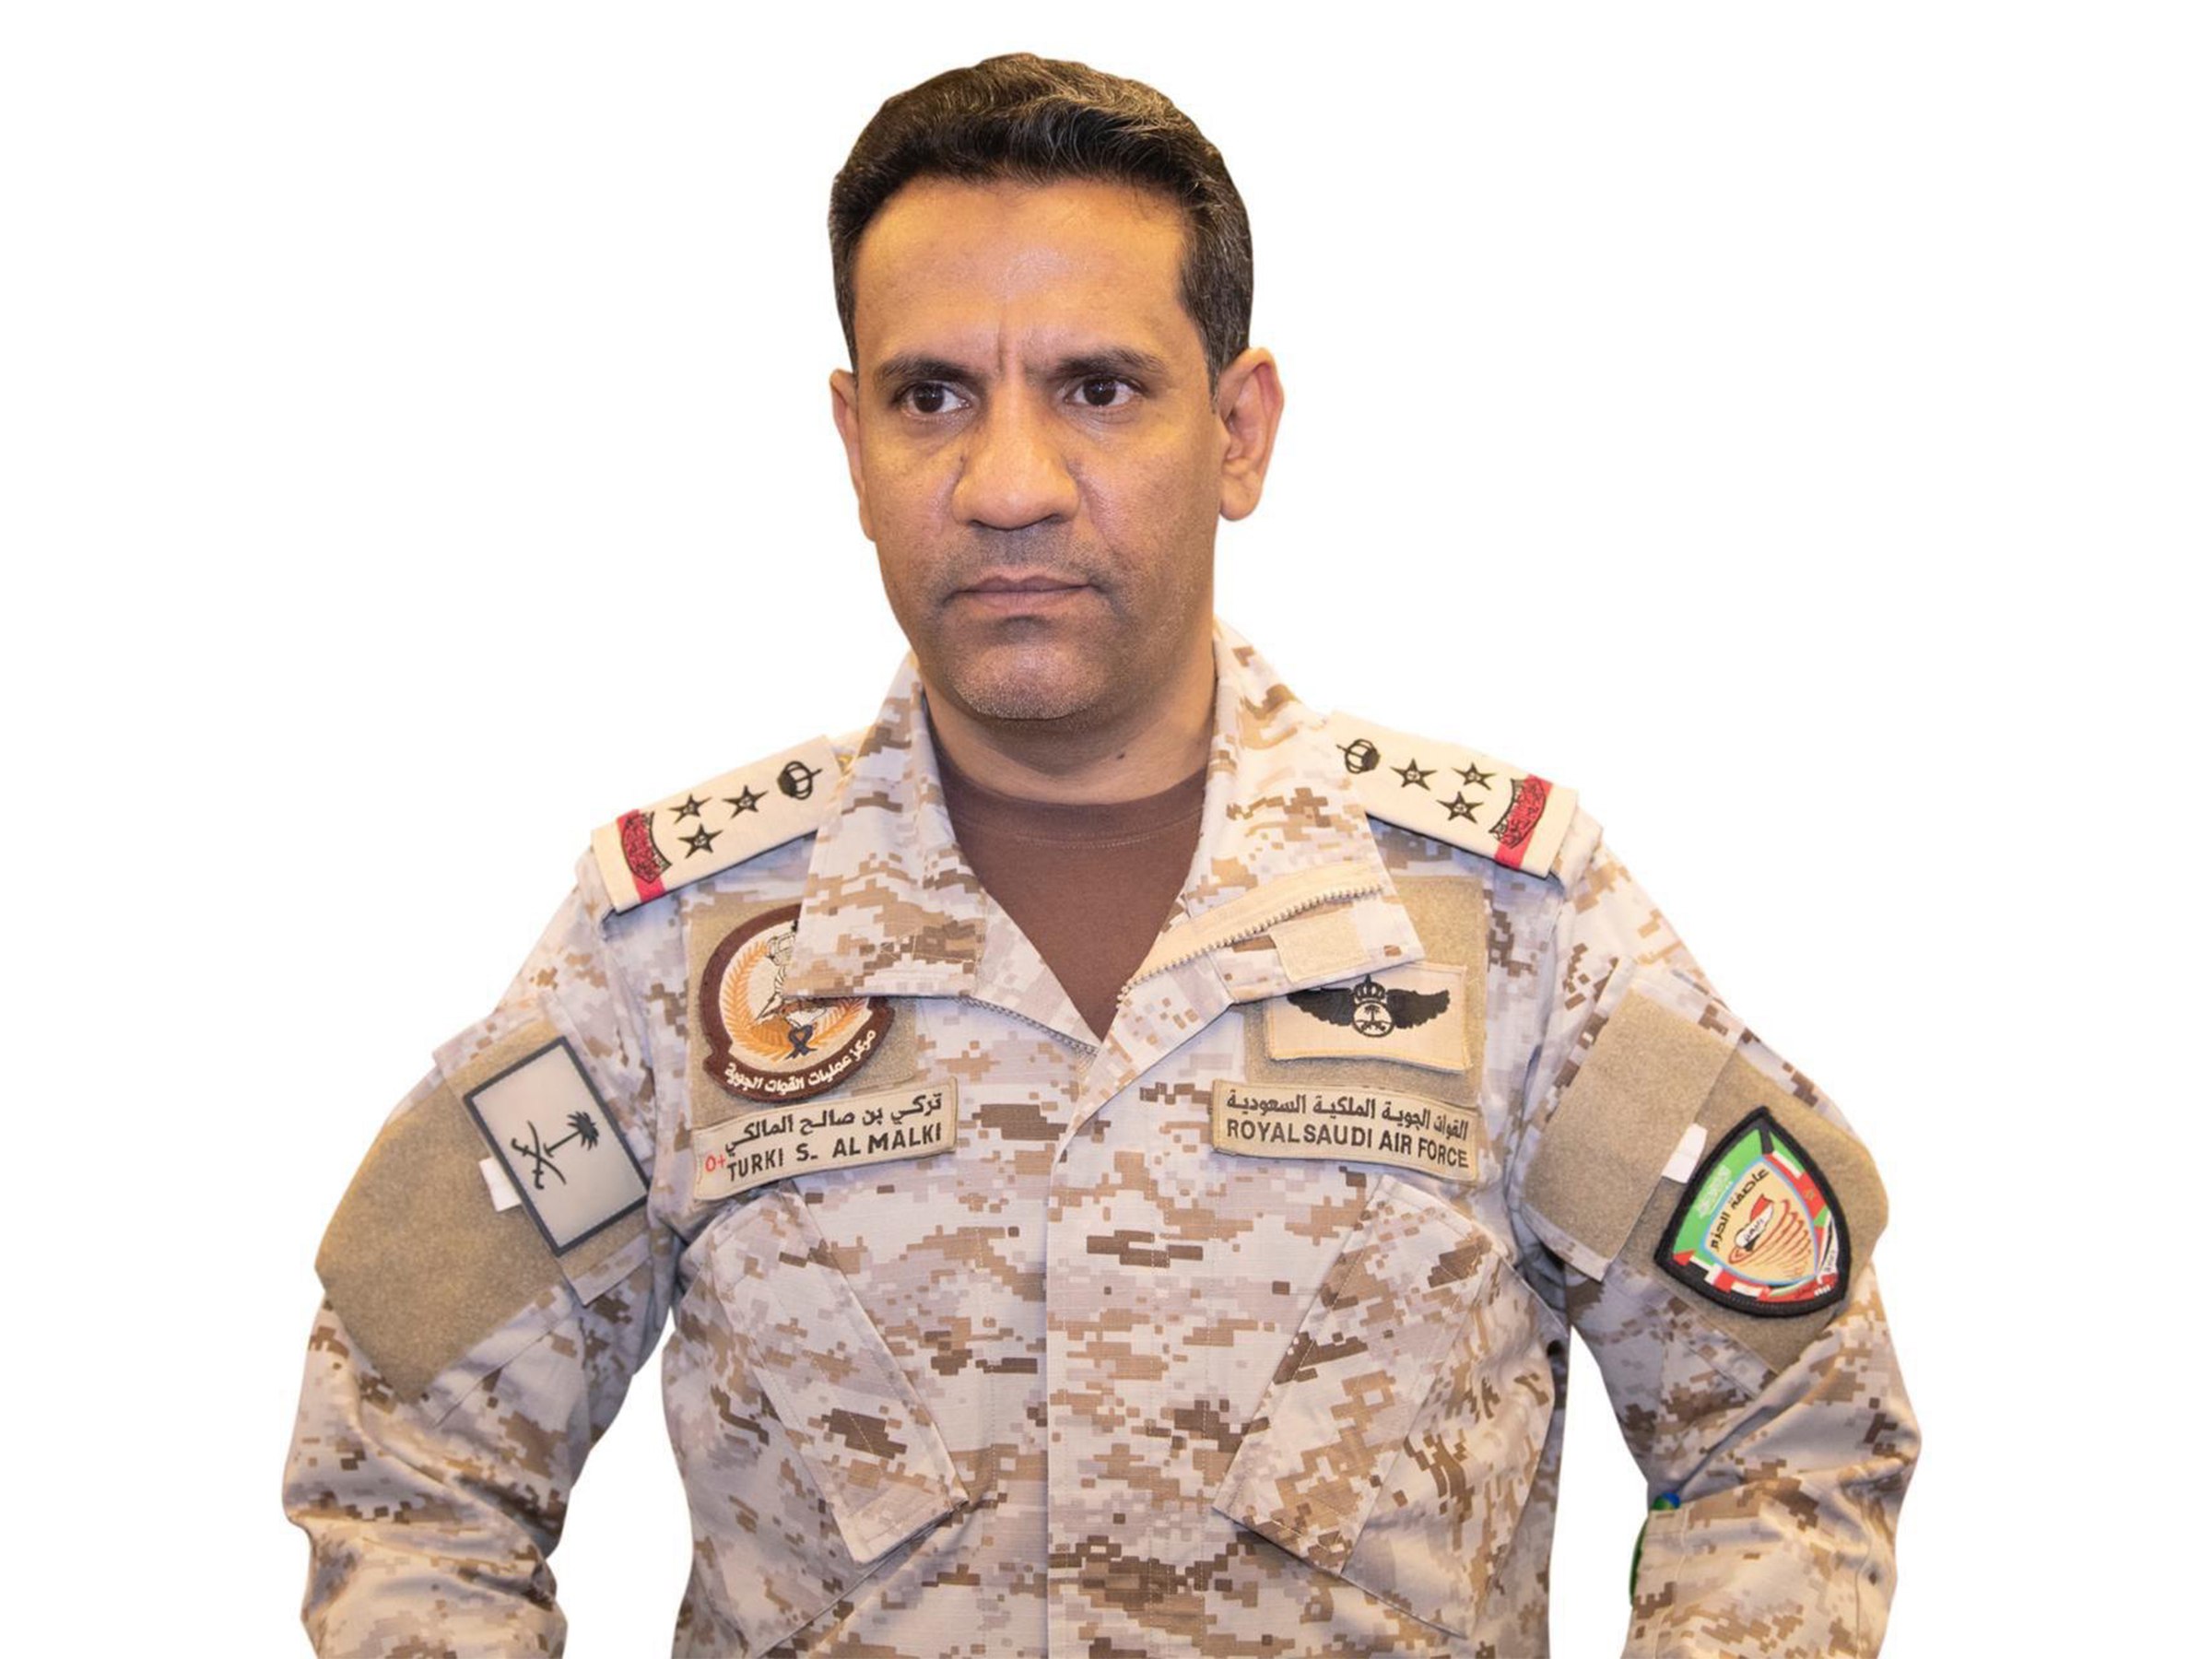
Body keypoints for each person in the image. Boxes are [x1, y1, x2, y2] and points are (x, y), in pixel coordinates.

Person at [284, 53, 1917, 1657]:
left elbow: (1788, 1429)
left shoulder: (1511, 928)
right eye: (933, 396)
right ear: (853, 443)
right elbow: (406, 1463)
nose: (1008, 484)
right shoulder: (673, 949)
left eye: (1098, 389)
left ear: (1239, 432)